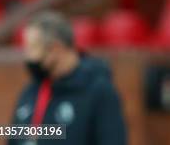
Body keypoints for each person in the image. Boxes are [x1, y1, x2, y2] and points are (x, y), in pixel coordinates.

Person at [8, 11, 127, 145]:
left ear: (55, 49)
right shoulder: (31, 92)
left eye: (33, 48)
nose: (28, 57)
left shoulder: (99, 91)